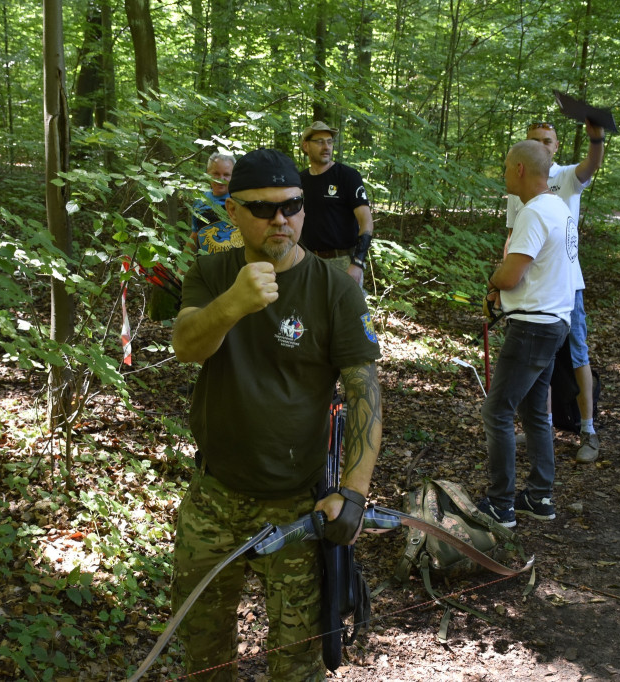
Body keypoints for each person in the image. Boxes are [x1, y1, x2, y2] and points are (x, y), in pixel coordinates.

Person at [170, 148, 383, 680]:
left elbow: (364, 392)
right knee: (203, 653)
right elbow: (186, 346)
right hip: (213, 497)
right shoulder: (211, 271)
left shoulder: (335, 289)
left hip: (297, 505)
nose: (280, 219)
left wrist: (354, 491)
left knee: (298, 661)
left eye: (291, 205)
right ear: (233, 212)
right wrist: (233, 304)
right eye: (262, 209)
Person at [478, 140, 576, 528]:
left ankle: (501, 505)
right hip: (554, 324)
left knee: (497, 411)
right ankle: (539, 496)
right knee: (535, 410)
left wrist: (492, 282)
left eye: (505, 167)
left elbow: (512, 273)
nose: (503, 173)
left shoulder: (534, 213)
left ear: (520, 169)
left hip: (534, 327)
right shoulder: (559, 209)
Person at [507, 119, 605, 462]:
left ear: (557, 145)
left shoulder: (563, 176)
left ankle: (588, 431)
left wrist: (597, 137)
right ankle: (542, 429)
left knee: (577, 355)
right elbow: (511, 237)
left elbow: (591, 165)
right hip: (530, 288)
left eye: (547, 140)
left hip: (567, 286)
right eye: (535, 140)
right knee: (540, 357)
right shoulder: (518, 184)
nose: (542, 146)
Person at [298, 121, 374, 287]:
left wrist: (358, 262)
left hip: (344, 262)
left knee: (346, 312)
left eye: (330, 141)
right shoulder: (299, 180)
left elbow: (366, 221)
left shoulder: (348, 176)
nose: (326, 147)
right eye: (319, 141)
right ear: (306, 146)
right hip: (309, 261)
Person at [190, 152, 239, 254]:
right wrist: (181, 269)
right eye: (216, 174)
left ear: (233, 176)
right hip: (208, 265)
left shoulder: (240, 200)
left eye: (226, 175)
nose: (221, 179)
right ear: (208, 173)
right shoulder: (200, 202)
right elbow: (195, 235)